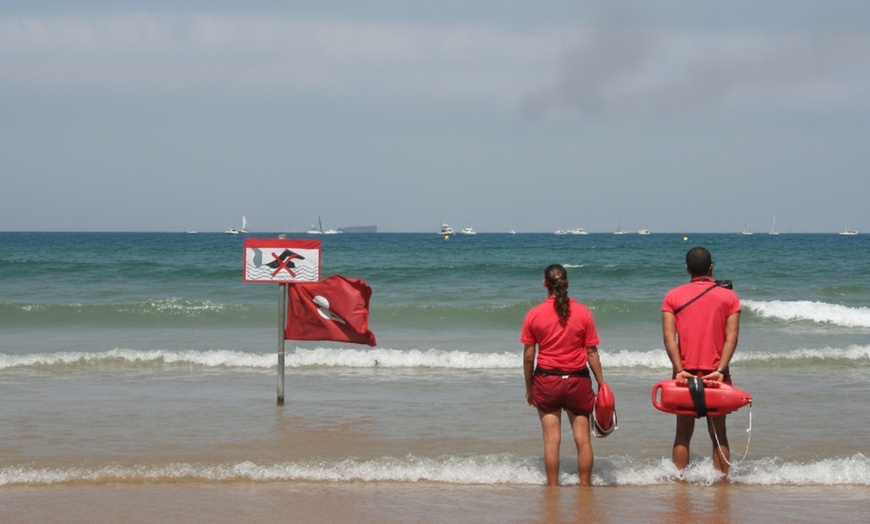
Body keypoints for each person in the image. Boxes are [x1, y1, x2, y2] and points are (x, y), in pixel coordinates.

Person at [522, 264, 605, 486]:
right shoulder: (583, 312)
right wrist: (601, 383)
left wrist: (529, 389)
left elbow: (529, 357)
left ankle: (552, 488)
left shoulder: (534, 314)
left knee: (551, 440)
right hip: (578, 381)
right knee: (583, 441)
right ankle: (585, 487)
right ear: (566, 282)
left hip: (547, 381)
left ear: (544, 283)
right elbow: (591, 353)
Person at [661, 246, 741, 475]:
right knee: (719, 434)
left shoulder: (672, 296)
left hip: (684, 374)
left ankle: (680, 483)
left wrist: (679, 370)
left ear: (687, 269)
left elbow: (669, 337)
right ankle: (722, 485)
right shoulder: (730, 297)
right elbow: (732, 338)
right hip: (716, 375)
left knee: (683, 434)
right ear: (711, 267)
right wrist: (720, 369)